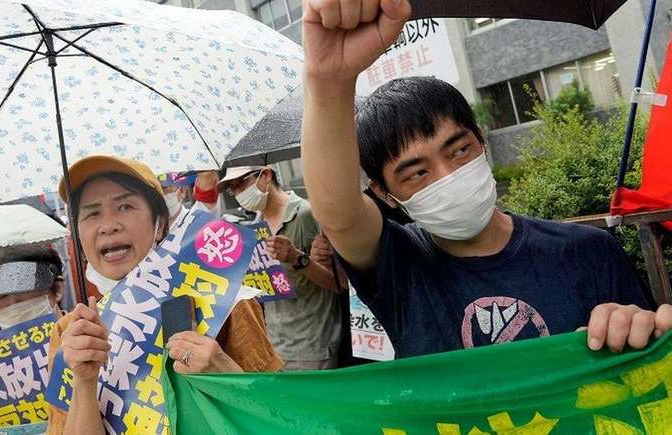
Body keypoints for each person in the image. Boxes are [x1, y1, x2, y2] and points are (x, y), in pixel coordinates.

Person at [299, 0, 672, 359]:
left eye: (459, 150)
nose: (449, 176)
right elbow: (339, 213)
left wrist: (636, 329)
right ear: (384, 193)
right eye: (416, 173)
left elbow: (641, 370)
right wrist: (328, 80)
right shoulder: (397, 265)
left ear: (481, 141)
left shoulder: (588, 250)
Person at [46, 155, 282, 435]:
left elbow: (277, 417)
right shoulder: (71, 333)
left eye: (125, 206)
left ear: (159, 223)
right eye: (92, 213)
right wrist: (84, 382)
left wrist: (223, 371)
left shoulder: (225, 302)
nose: (108, 225)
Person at [219, 166, 344, 370]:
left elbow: (338, 284)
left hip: (313, 345)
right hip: (273, 346)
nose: (238, 193)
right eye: (232, 189)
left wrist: (297, 258)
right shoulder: (251, 231)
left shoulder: (309, 215)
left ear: (266, 175)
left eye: (241, 183)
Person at [0, 245, 65, 334]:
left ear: (57, 289)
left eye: (23, 290)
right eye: (2, 296)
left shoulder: (79, 338)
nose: (13, 302)